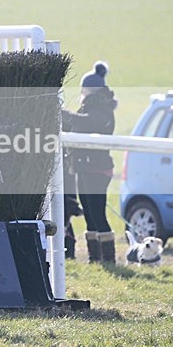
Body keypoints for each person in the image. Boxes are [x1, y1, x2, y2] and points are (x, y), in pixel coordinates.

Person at [61, 60, 117, 263]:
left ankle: (108, 259)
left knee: (97, 214)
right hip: (84, 168)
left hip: (97, 169)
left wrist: (63, 114)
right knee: (90, 215)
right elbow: (78, 122)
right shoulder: (94, 108)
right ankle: (95, 258)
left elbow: (83, 123)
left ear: (90, 89)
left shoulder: (101, 111)